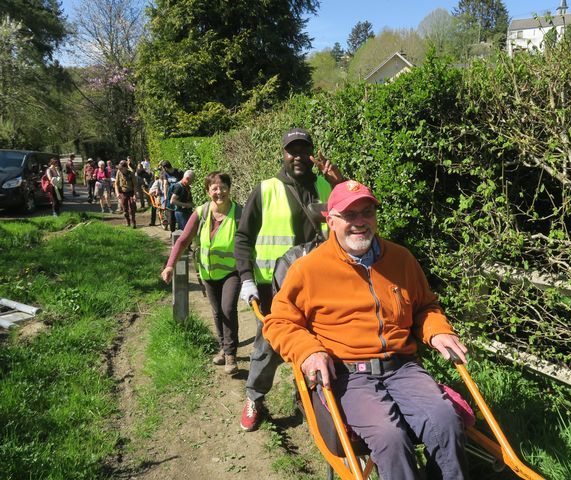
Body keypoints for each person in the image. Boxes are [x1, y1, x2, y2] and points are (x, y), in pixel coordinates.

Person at [263, 180, 469, 480]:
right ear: (331, 221)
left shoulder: (402, 259)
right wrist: (308, 352)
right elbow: (279, 321)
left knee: (446, 421)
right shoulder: (308, 270)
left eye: (367, 212)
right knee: (390, 437)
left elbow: (426, 307)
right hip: (348, 374)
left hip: (404, 368)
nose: (360, 222)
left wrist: (438, 330)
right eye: (350, 215)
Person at [235, 127, 344, 432]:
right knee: (267, 348)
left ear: (311, 154)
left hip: (321, 288)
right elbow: (243, 237)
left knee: (319, 345)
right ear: (283, 154)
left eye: (302, 150)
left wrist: (340, 180)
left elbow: (355, 214)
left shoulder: (327, 186)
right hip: (275, 291)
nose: (297, 157)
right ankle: (254, 398)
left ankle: (306, 398)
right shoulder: (265, 189)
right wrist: (246, 278)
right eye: (291, 150)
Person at [161, 172, 242, 374]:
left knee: (228, 309)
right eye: (214, 188)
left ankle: (231, 355)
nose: (219, 192)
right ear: (208, 191)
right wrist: (170, 264)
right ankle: (223, 348)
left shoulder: (239, 213)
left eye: (223, 187)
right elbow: (183, 240)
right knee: (216, 312)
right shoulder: (202, 212)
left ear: (229, 189)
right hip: (207, 272)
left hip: (232, 271)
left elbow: (249, 242)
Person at [160, 161, 184, 232]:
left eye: (162, 168)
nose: (162, 169)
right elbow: (165, 184)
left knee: (179, 214)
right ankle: (172, 232)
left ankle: (181, 231)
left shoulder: (179, 172)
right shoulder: (165, 174)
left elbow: (183, 183)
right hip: (170, 196)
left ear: (165, 168)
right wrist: (165, 196)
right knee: (171, 216)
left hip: (179, 196)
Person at [114, 160, 137, 227]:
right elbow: (116, 184)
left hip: (131, 192)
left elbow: (135, 185)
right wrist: (117, 193)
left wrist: (135, 195)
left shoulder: (131, 173)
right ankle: (127, 222)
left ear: (125, 168)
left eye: (121, 168)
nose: (120, 169)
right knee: (125, 209)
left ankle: (133, 222)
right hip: (123, 193)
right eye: (119, 168)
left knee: (132, 207)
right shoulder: (119, 172)